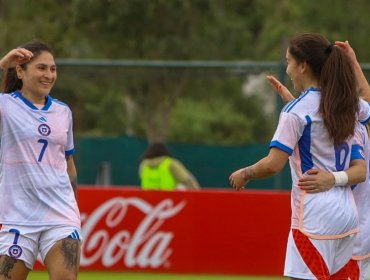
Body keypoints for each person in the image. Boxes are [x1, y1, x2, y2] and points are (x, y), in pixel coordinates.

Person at [229, 33, 370, 279]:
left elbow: (273, 165)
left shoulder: (296, 112)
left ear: (303, 65)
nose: (288, 69)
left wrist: (245, 173)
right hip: (347, 217)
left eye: (289, 62)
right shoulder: (343, 106)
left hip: (315, 216)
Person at [0, 41, 81, 280]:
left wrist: (74, 209)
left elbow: (68, 164)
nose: (49, 75)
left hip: (60, 215)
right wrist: (3, 64)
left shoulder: (63, 111)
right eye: (41, 68)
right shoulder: (5, 106)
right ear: (20, 72)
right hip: (17, 217)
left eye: (53, 69)